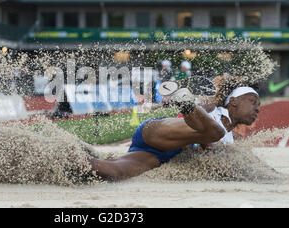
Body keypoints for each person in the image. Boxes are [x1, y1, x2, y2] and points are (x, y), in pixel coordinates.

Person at [88, 75, 261, 181]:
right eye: (252, 101)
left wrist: (283, 177)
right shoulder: (213, 107)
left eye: (259, 105)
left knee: (113, 172)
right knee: (215, 132)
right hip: (160, 132)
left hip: (162, 155)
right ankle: (182, 97)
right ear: (233, 102)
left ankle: (70, 160)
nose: (257, 108)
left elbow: (251, 165)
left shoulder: (235, 141)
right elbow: (203, 103)